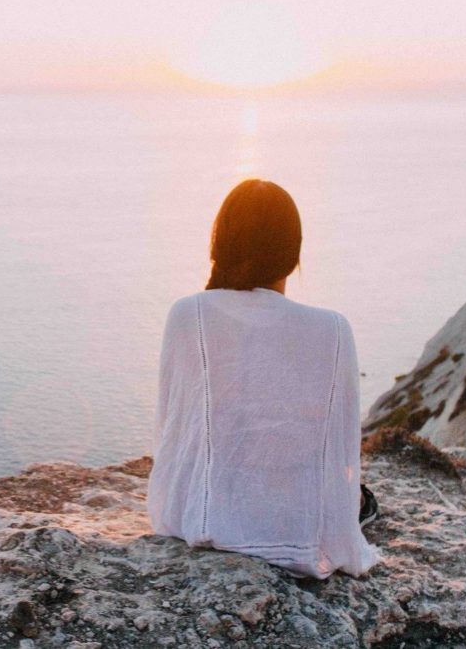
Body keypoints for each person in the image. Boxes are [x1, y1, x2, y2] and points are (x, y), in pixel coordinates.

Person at [146, 179, 381, 579]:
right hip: (296, 524)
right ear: (292, 254)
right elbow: (341, 447)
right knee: (359, 499)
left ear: (219, 244)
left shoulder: (187, 315)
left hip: (201, 517)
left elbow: (172, 432)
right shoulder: (333, 329)